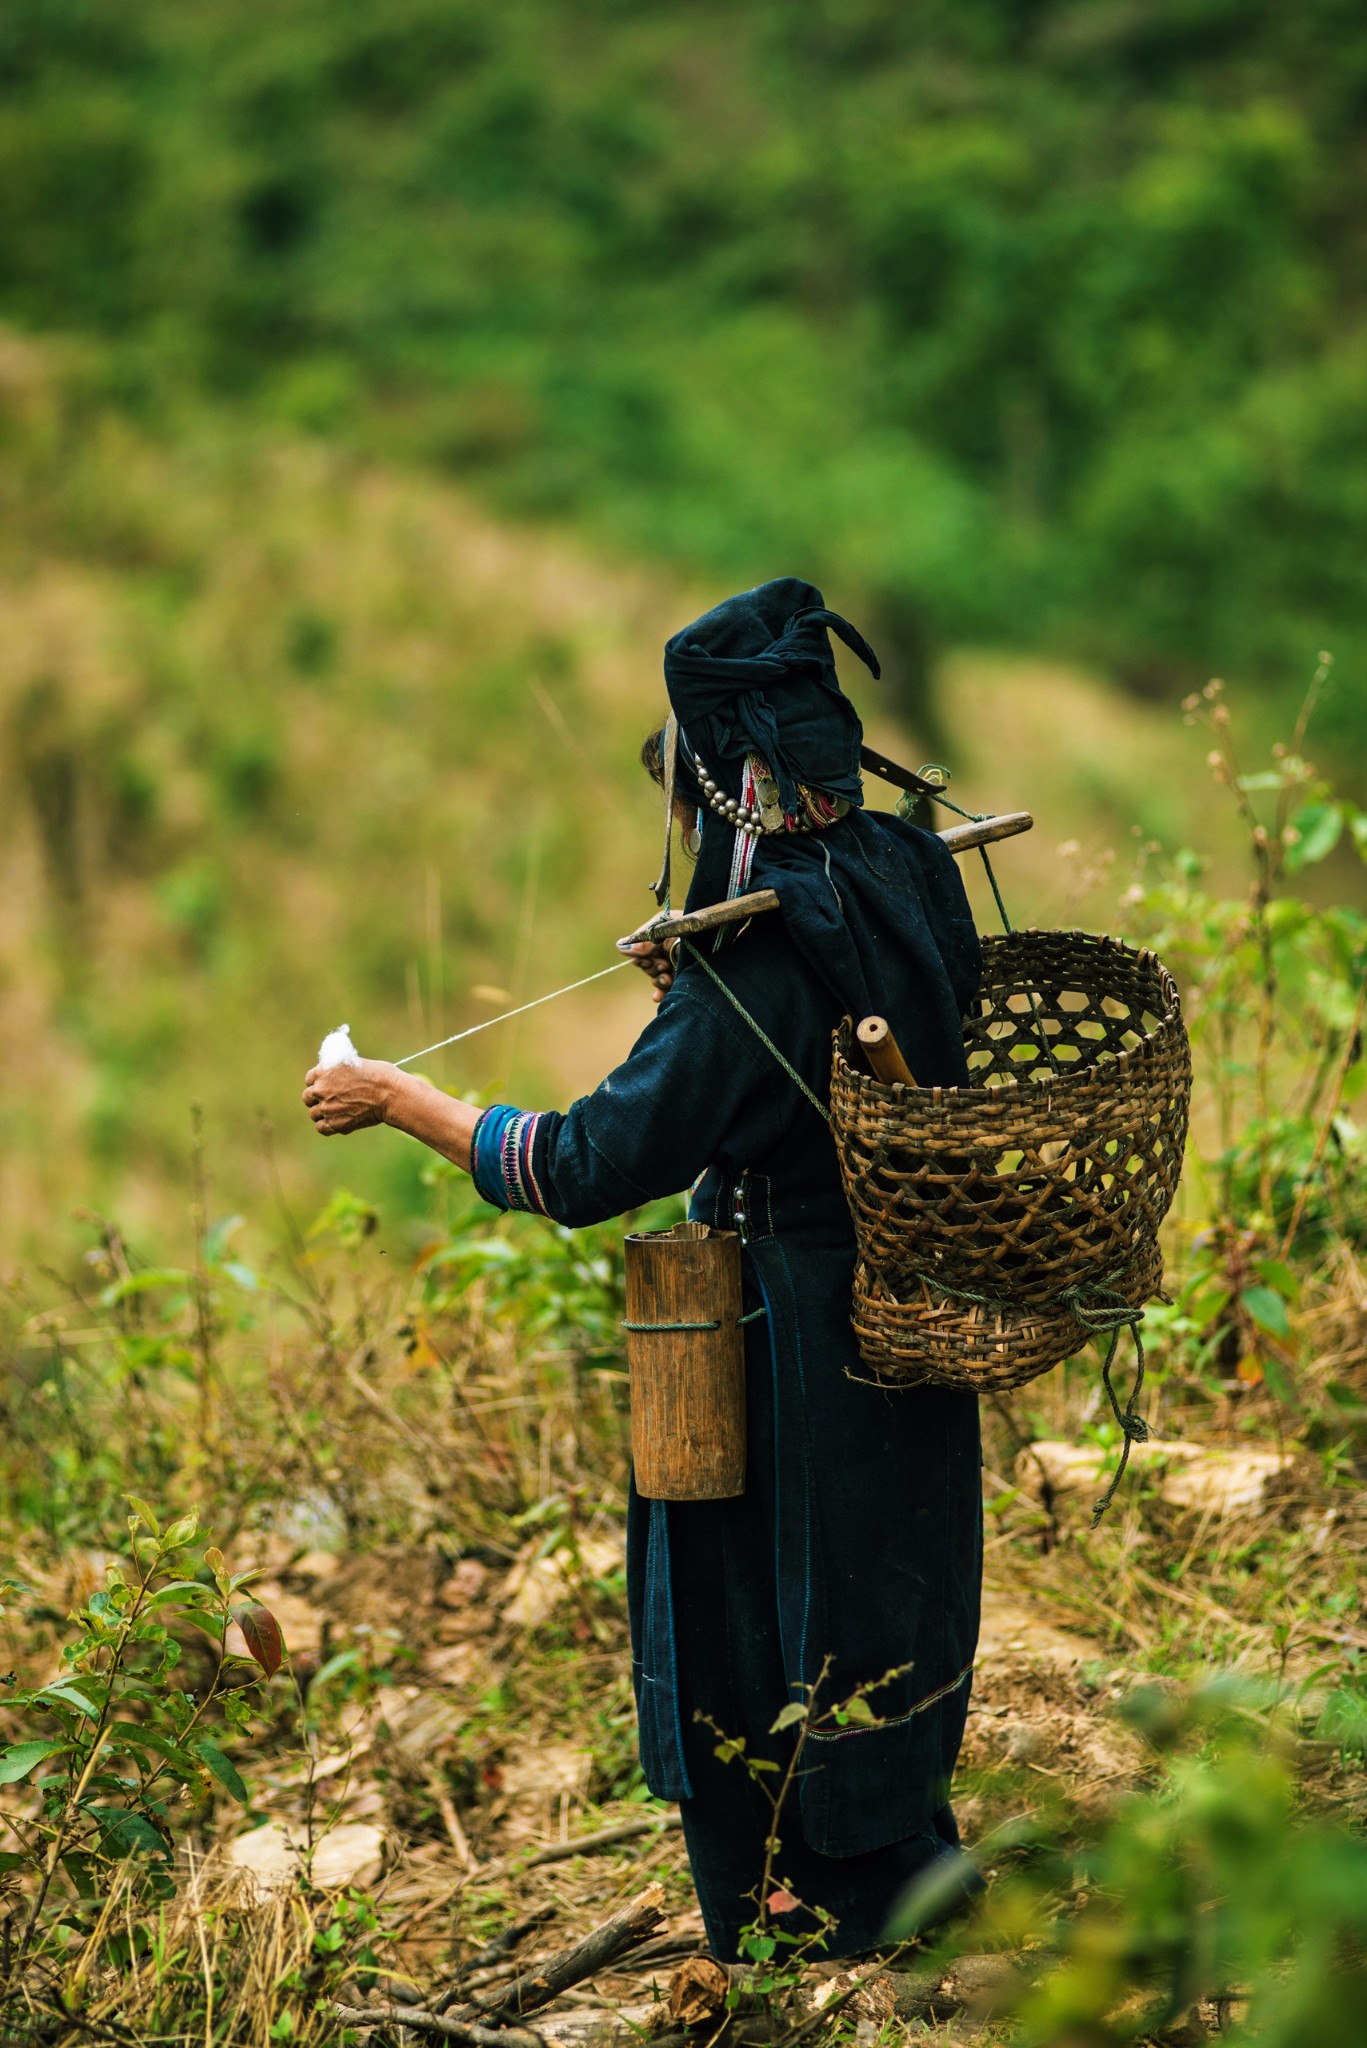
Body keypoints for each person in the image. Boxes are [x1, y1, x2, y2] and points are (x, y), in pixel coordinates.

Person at [302, 580, 985, 1960]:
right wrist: (692, 994)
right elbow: (800, 1063)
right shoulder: (909, 876)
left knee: (758, 1606)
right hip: (904, 1294)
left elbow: (585, 1164)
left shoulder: (757, 970)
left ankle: (800, 1915)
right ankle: (910, 1863)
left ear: (729, 787)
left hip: (780, 1332)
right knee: (890, 1573)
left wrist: (395, 1100)